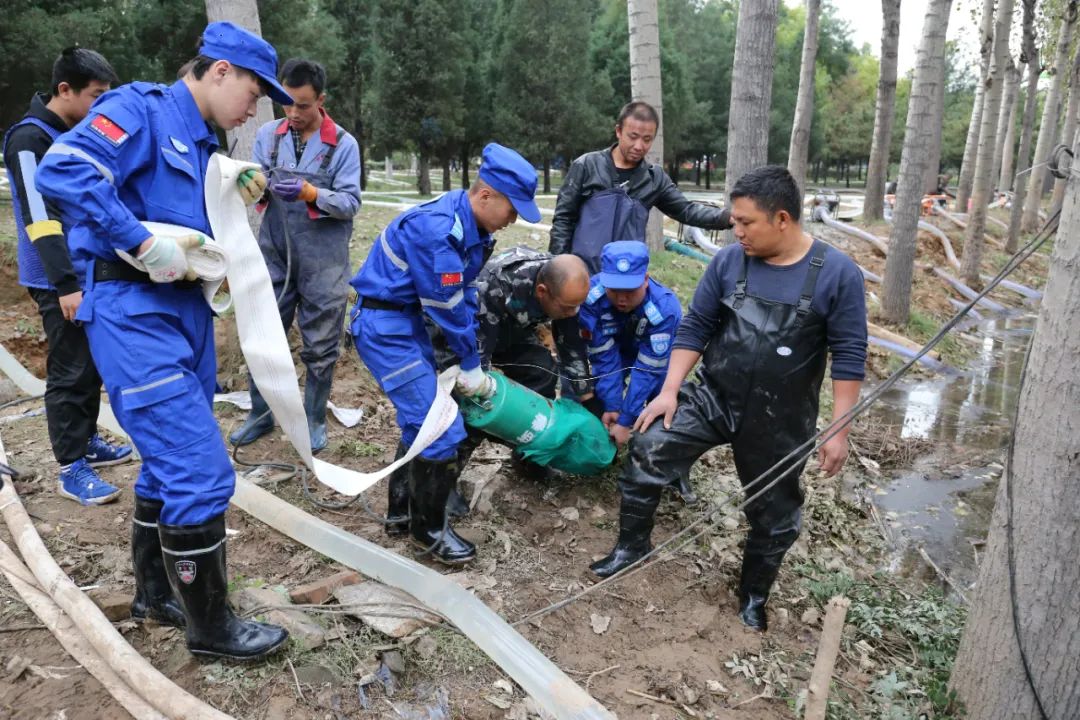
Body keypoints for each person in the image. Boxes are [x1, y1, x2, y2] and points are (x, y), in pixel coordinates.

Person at [35, 22, 295, 661]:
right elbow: (65, 170)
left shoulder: (207, 140)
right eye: (254, 92)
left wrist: (233, 187)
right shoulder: (140, 108)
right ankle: (211, 629)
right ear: (221, 71)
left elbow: (190, 218)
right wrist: (141, 241)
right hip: (135, 313)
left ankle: (158, 596)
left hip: (184, 316)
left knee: (164, 463)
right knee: (200, 471)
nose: (253, 109)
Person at [590, 166, 867, 633]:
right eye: (733, 221)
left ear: (782, 219)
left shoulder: (836, 273)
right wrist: (671, 390)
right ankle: (630, 546)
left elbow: (849, 354)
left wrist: (839, 428)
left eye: (745, 222)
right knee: (650, 446)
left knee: (773, 511)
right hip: (715, 396)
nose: (735, 231)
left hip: (780, 417)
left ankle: (753, 596)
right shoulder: (729, 262)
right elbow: (696, 325)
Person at [349, 143, 540, 566]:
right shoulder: (438, 231)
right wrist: (470, 361)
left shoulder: (473, 229)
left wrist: (470, 355)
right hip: (385, 328)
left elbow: (465, 295)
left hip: (406, 322)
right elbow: (448, 308)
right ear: (486, 194)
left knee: (420, 420)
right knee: (441, 426)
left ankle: (401, 512)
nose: (513, 220)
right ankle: (428, 533)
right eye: (512, 209)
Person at [3, 47, 132, 506]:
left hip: (85, 270)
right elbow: (40, 219)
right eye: (96, 97)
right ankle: (70, 466)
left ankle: (88, 443)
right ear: (65, 90)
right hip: (57, 277)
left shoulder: (71, 133)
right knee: (69, 367)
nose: (101, 108)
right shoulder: (28, 140)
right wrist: (66, 285)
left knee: (89, 362)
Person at [548, 100, 732, 405]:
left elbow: (685, 209)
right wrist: (558, 269)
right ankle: (577, 426)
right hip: (582, 281)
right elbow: (563, 219)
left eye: (647, 139)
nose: (638, 145)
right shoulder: (587, 166)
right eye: (633, 136)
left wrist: (726, 217)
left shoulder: (653, 178)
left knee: (615, 354)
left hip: (624, 287)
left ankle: (618, 418)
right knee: (577, 362)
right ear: (618, 131)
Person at [229, 59, 362, 452]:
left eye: (303, 105)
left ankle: (314, 417)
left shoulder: (343, 144)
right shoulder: (269, 135)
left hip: (324, 263)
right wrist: (254, 185)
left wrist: (311, 194)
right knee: (264, 337)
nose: (294, 113)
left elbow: (351, 201)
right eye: (287, 103)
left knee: (321, 345)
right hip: (276, 255)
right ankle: (260, 413)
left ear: (321, 100)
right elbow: (254, 186)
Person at [421, 247, 590, 515]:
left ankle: (530, 455)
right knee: (474, 403)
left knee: (541, 371)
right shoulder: (495, 286)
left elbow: (571, 346)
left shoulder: (565, 290)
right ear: (542, 292)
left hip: (512, 329)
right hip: (466, 333)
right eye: (567, 308)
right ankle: (444, 481)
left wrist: (586, 395)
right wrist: (478, 386)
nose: (573, 313)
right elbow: (474, 359)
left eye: (577, 306)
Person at [577, 241, 681, 448]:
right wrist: (613, 406)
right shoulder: (591, 300)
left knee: (660, 396)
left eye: (630, 290)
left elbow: (648, 369)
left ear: (645, 280)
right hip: (616, 349)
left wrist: (626, 419)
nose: (621, 299)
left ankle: (654, 447)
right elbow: (603, 357)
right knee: (593, 396)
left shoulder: (665, 310)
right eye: (614, 290)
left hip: (654, 359)